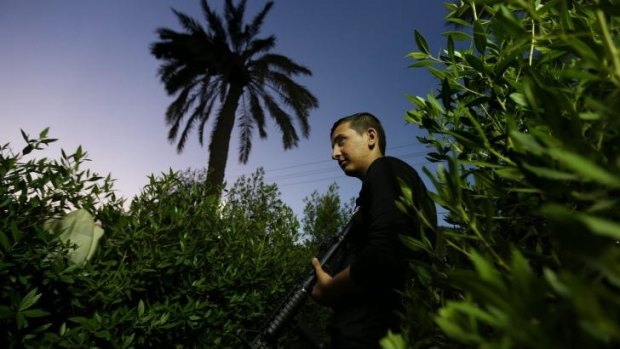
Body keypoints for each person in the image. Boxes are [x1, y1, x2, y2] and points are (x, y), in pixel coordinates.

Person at [310, 112, 437, 349]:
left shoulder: (384, 167)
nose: (334, 154)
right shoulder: (394, 179)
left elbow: (385, 253)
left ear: (370, 137)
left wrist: (330, 288)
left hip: (369, 334)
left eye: (341, 141)